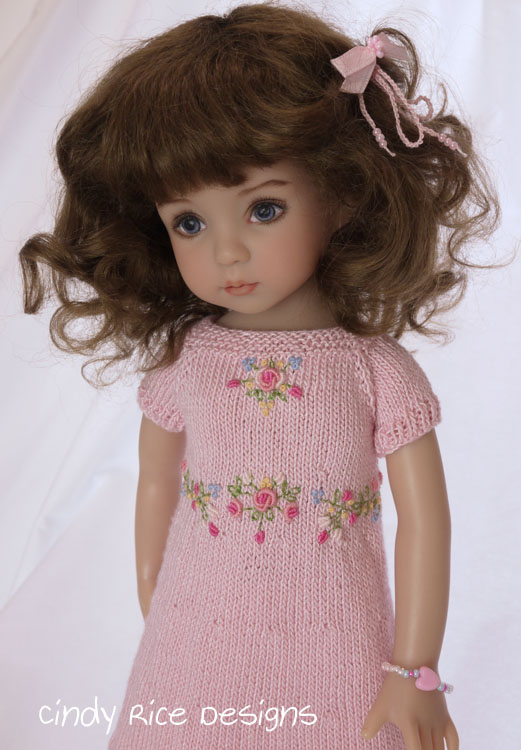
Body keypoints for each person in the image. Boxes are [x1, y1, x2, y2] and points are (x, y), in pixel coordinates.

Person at [18, 2, 500, 748]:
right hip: (192, 639)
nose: (227, 252)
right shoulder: (188, 364)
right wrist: (158, 598)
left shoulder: (374, 371)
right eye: (189, 223)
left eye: (264, 208)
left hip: (338, 651)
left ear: (342, 192)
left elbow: (425, 524)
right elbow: (155, 483)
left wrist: (414, 671)